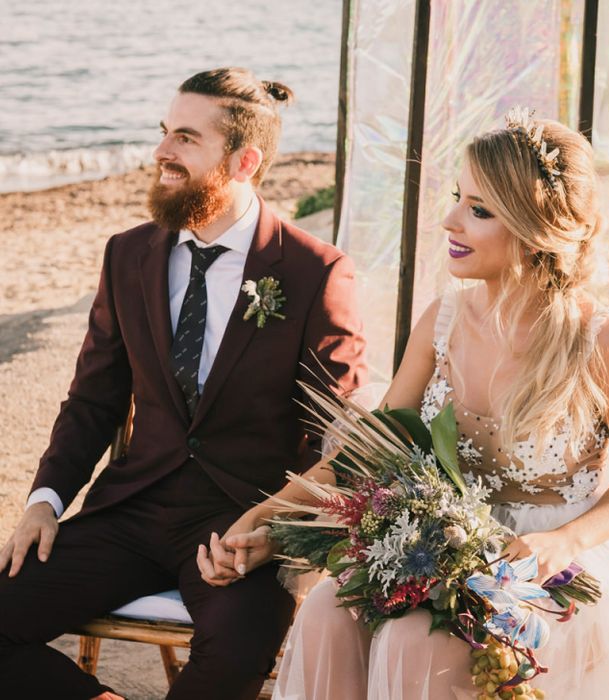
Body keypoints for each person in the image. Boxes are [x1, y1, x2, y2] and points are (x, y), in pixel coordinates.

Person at [226, 110, 609, 699]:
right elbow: (371, 451)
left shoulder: (601, 337)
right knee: (328, 609)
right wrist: (270, 518)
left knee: (416, 643)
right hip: (434, 542)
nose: (449, 220)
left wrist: (565, 542)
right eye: (459, 198)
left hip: (549, 559)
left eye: (479, 210)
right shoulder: (443, 320)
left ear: (536, 228)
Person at [0, 67, 367, 700]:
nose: (161, 153)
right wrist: (47, 498)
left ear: (244, 160)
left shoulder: (315, 271)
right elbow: (94, 398)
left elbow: (332, 432)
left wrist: (273, 531)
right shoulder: (128, 255)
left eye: (186, 139)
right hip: (130, 509)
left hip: (240, 525)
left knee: (231, 662)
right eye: (165, 132)